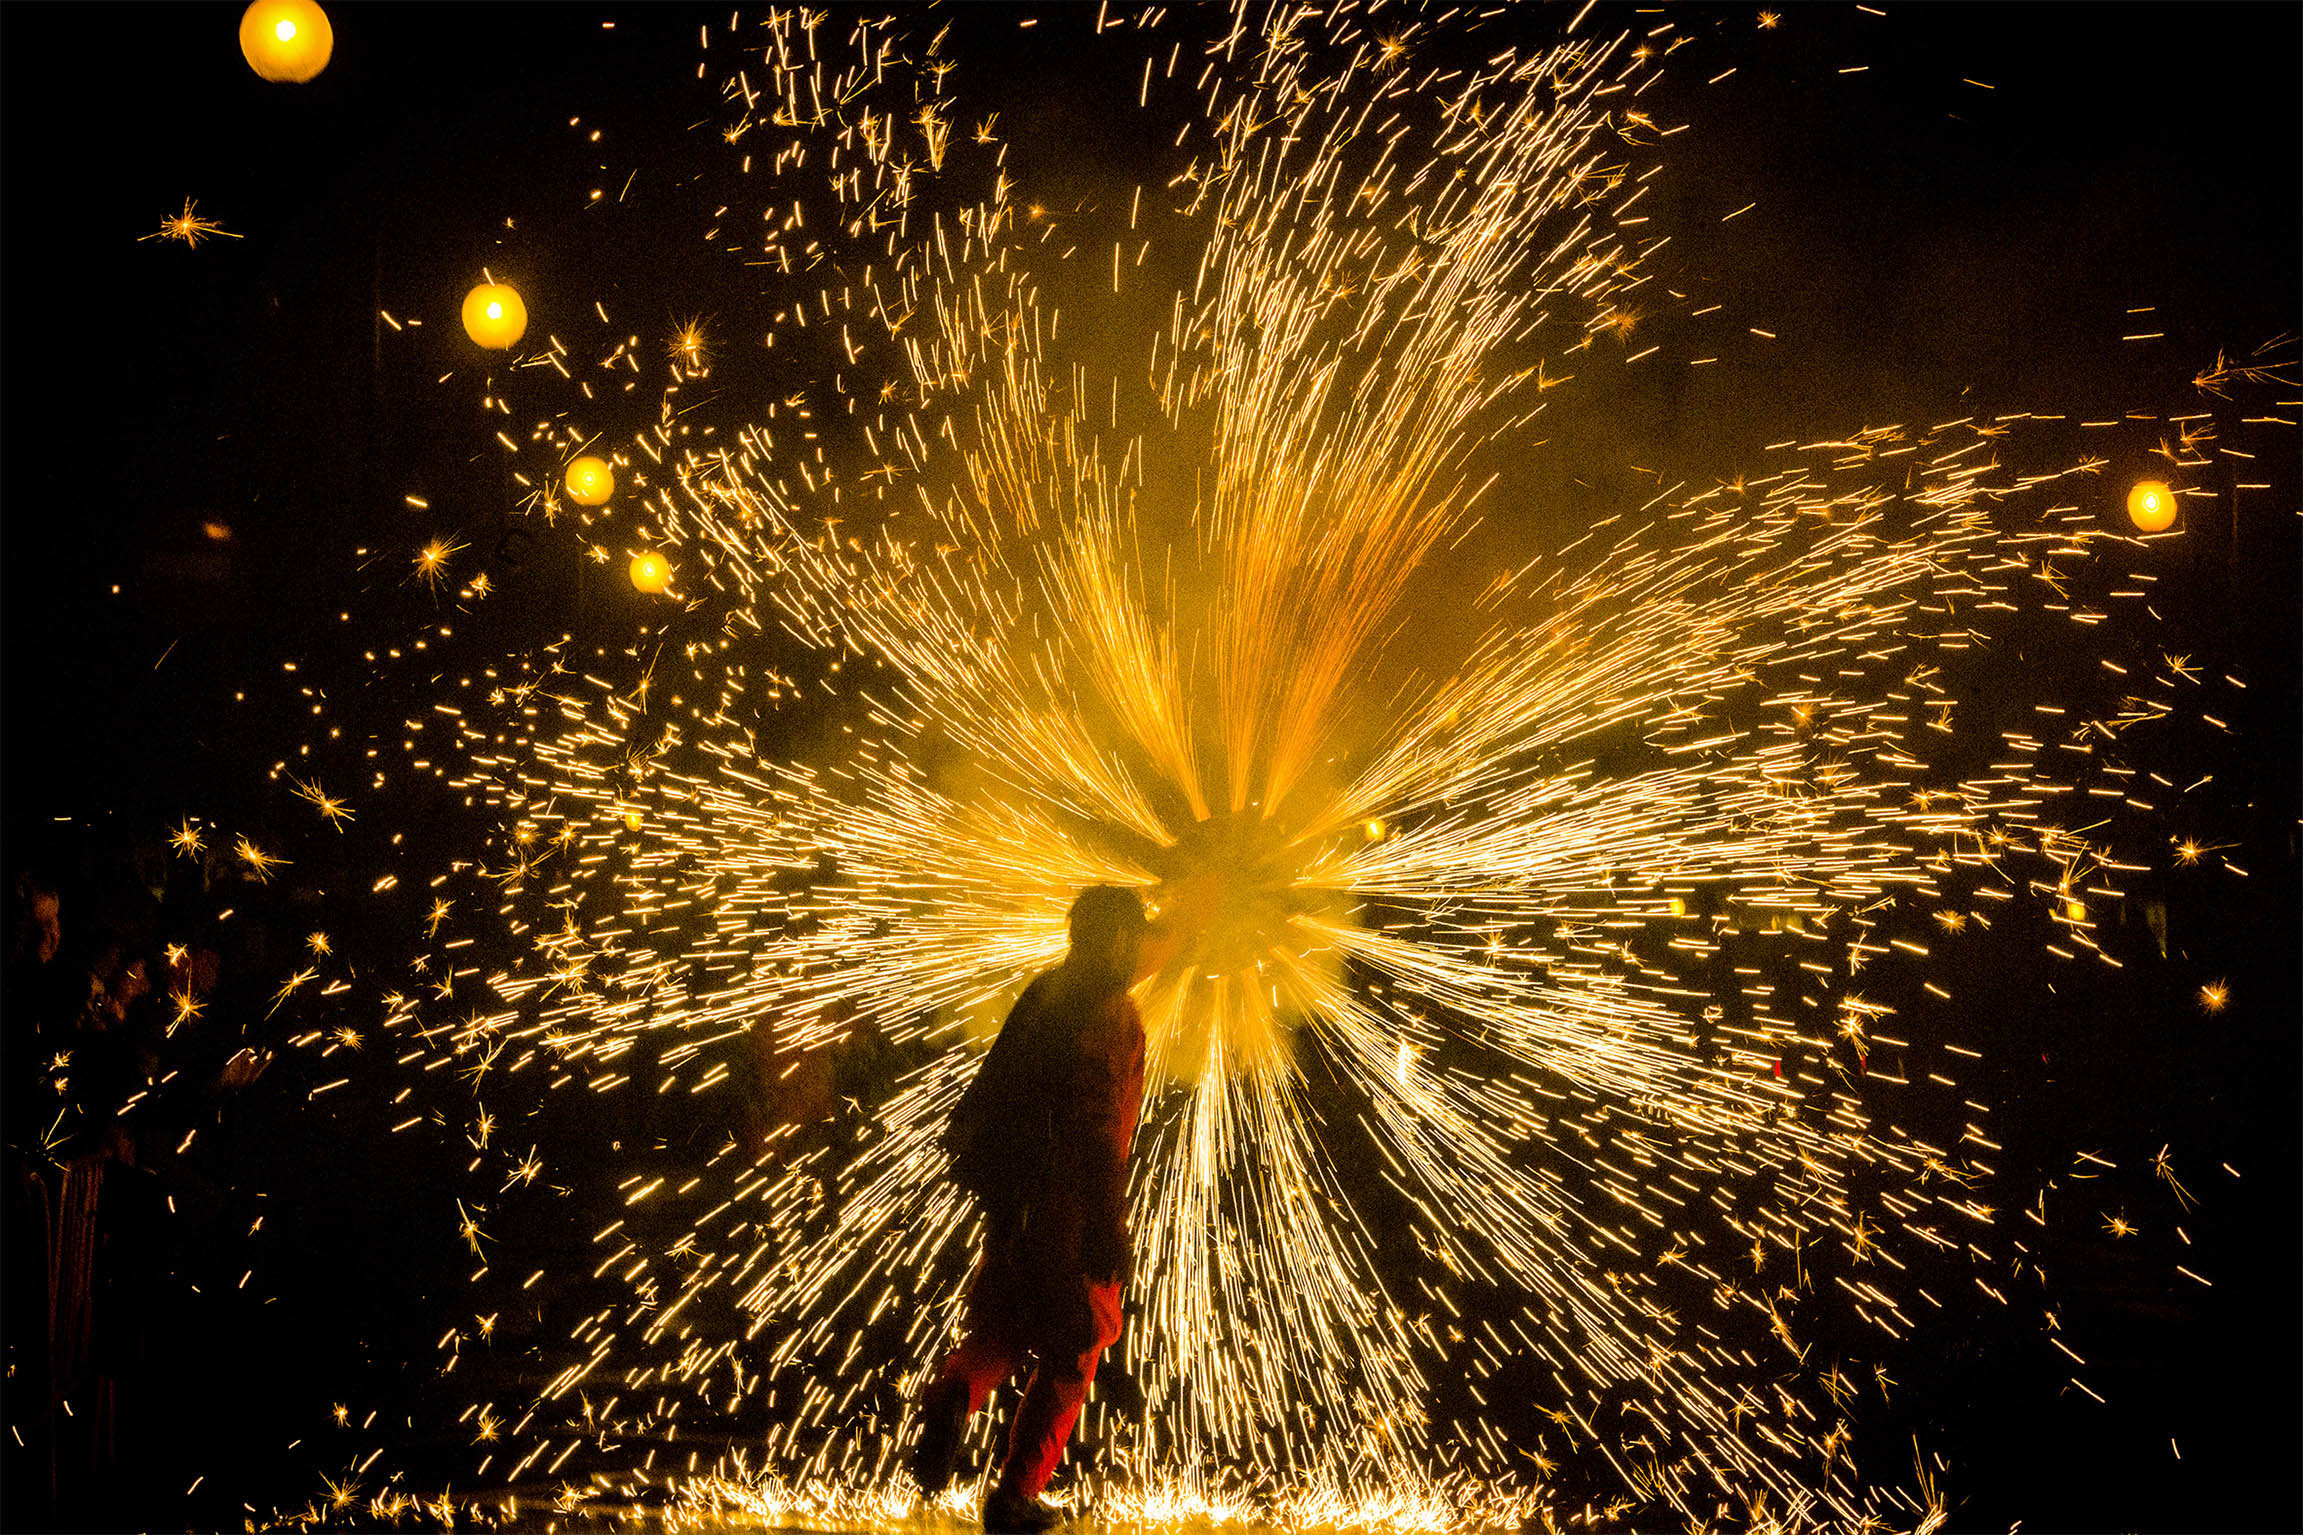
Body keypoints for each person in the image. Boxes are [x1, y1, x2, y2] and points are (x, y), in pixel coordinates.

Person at [910, 885, 1154, 1533]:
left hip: (1012, 1200)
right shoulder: (1110, 1011)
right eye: (1134, 935)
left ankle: (953, 1393)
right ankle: (1015, 1494)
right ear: (1117, 939)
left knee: (1004, 1328)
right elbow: (1098, 1124)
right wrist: (1109, 1221)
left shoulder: (1045, 991)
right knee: (1076, 1346)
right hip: (1069, 1206)